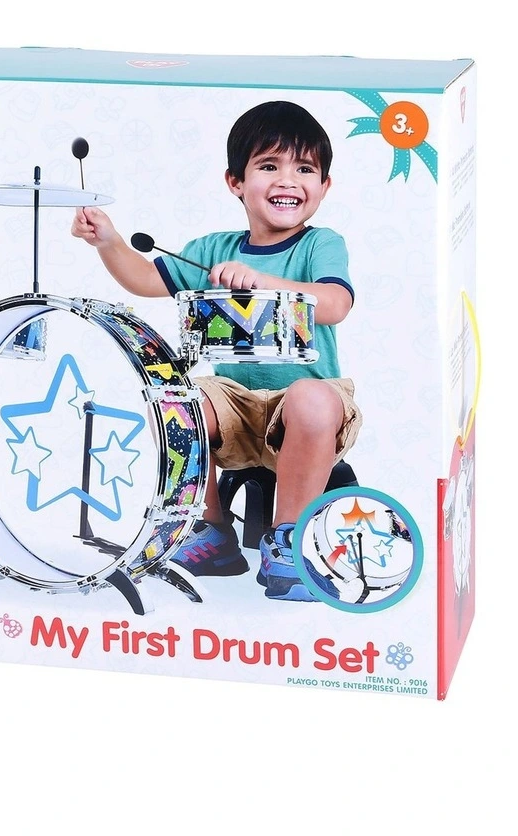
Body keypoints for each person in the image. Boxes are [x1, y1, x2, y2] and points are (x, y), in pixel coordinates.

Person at [71, 100, 362, 601]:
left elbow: (335, 304)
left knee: (309, 398)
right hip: (235, 405)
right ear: (236, 182)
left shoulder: (321, 244)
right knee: (176, 399)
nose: (287, 180)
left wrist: (262, 281)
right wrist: (109, 243)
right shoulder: (211, 250)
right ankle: (209, 528)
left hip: (309, 408)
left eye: (304, 169)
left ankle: (289, 541)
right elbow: (144, 279)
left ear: (325, 185)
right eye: (268, 166)